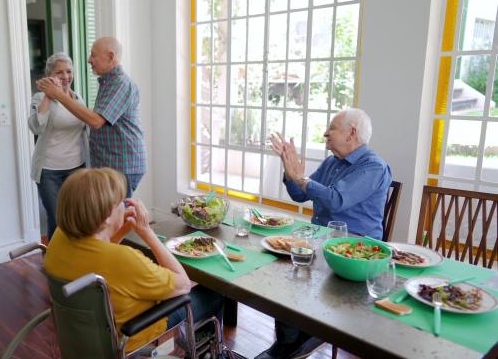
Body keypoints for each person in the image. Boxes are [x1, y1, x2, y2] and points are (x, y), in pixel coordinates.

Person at [255, 108, 392, 359]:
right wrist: (290, 171)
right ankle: (290, 342)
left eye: (332, 128)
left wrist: (301, 178)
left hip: (355, 253)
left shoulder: (373, 166)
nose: (325, 133)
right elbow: (300, 193)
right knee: (280, 269)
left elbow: (337, 200)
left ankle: (302, 339)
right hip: (321, 242)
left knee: (293, 274)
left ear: (351, 133)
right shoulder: (332, 162)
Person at [44, 168, 223, 353]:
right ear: (106, 217)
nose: (123, 206)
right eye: (119, 203)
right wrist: (147, 232)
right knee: (214, 292)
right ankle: (209, 352)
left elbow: (97, 250)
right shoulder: (123, 259)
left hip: (84, 340)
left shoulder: (58, 239)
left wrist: (122, 228)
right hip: (133, 336)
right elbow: (183, 284)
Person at [38, 37, 147, 198]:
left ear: (110, 56)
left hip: (122, 166)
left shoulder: (121, 84)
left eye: (93, 55)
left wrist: (59, 95)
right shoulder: (108, 83)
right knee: (109, 216)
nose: (89, 60)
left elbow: (96, 121)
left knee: (118, 217)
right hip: (111, 165)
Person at [28, 52, 90, 241]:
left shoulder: (77, 98)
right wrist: (49, 94)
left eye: (69, 71)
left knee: (76, 217)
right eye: (59, 72)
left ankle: (72, 258)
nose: (65, 76)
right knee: (56, 218)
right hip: (49, 171)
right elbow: (36, 127)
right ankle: (53, 261)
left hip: (76, 168)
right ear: (50, 75)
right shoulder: (40, 98)